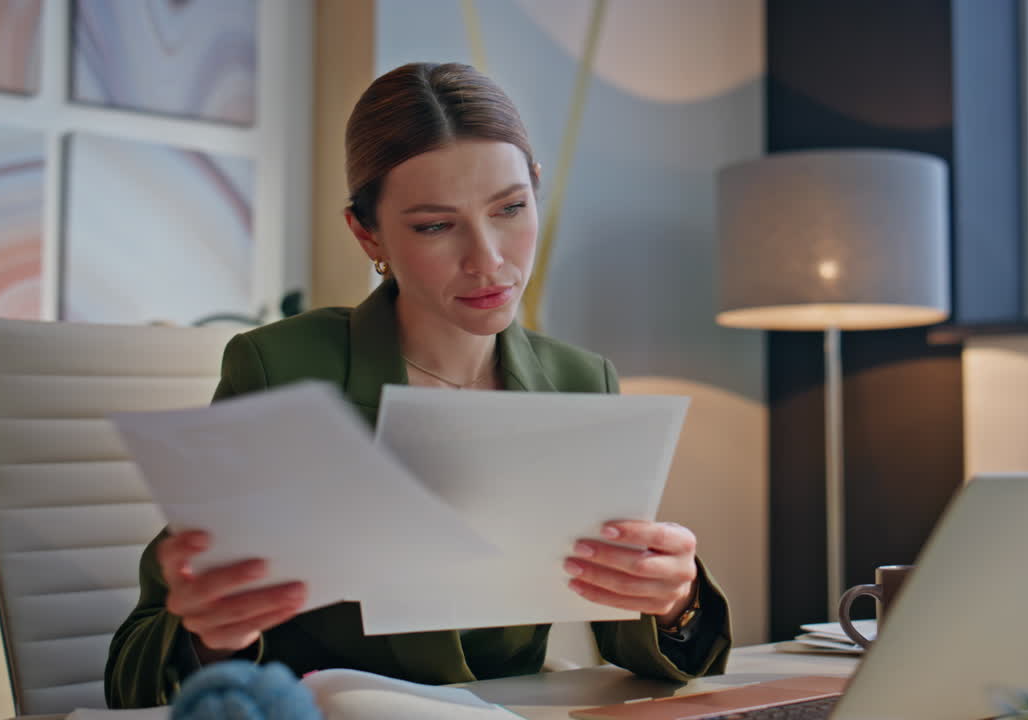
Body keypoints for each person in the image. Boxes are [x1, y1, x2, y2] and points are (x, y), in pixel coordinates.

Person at [105, 62, 732, 709]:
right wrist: (213, 641)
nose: (488, 258)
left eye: (511, 208)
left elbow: (632, 637)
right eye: (435, 225)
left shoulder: (578, 381)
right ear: (366, 231)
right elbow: (133, 673)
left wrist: (671, 601)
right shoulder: (280, 369)